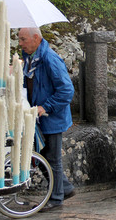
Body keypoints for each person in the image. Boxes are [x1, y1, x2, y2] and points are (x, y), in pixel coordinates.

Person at [19, 27, 75, 212]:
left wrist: (46, 107)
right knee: (42, 156)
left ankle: (56, 198)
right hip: (37, 116)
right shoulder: (29, 58)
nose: (20, 43)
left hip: (51, 117)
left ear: (36, 38)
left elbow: (67, 90)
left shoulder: (50, 59)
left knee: (52, 158)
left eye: (23, 39)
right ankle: (64, 188)